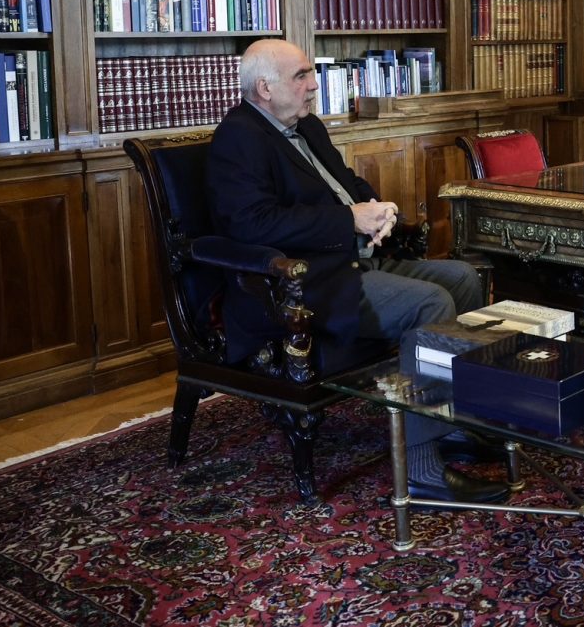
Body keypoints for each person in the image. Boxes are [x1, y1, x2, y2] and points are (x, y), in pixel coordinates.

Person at [207, 39, 504, 503]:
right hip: (304, 283)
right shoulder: (238, 138)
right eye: (302, 76)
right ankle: (422, 469)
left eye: (311, 74)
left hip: (353, 259)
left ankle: (451, 425)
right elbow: (251, 223)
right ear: (264, 87)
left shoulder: (307, 126)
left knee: (464, 278)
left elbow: (347, 184)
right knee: (431, 302)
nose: (313, 85)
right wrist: (348, 220)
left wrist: (376, 208)